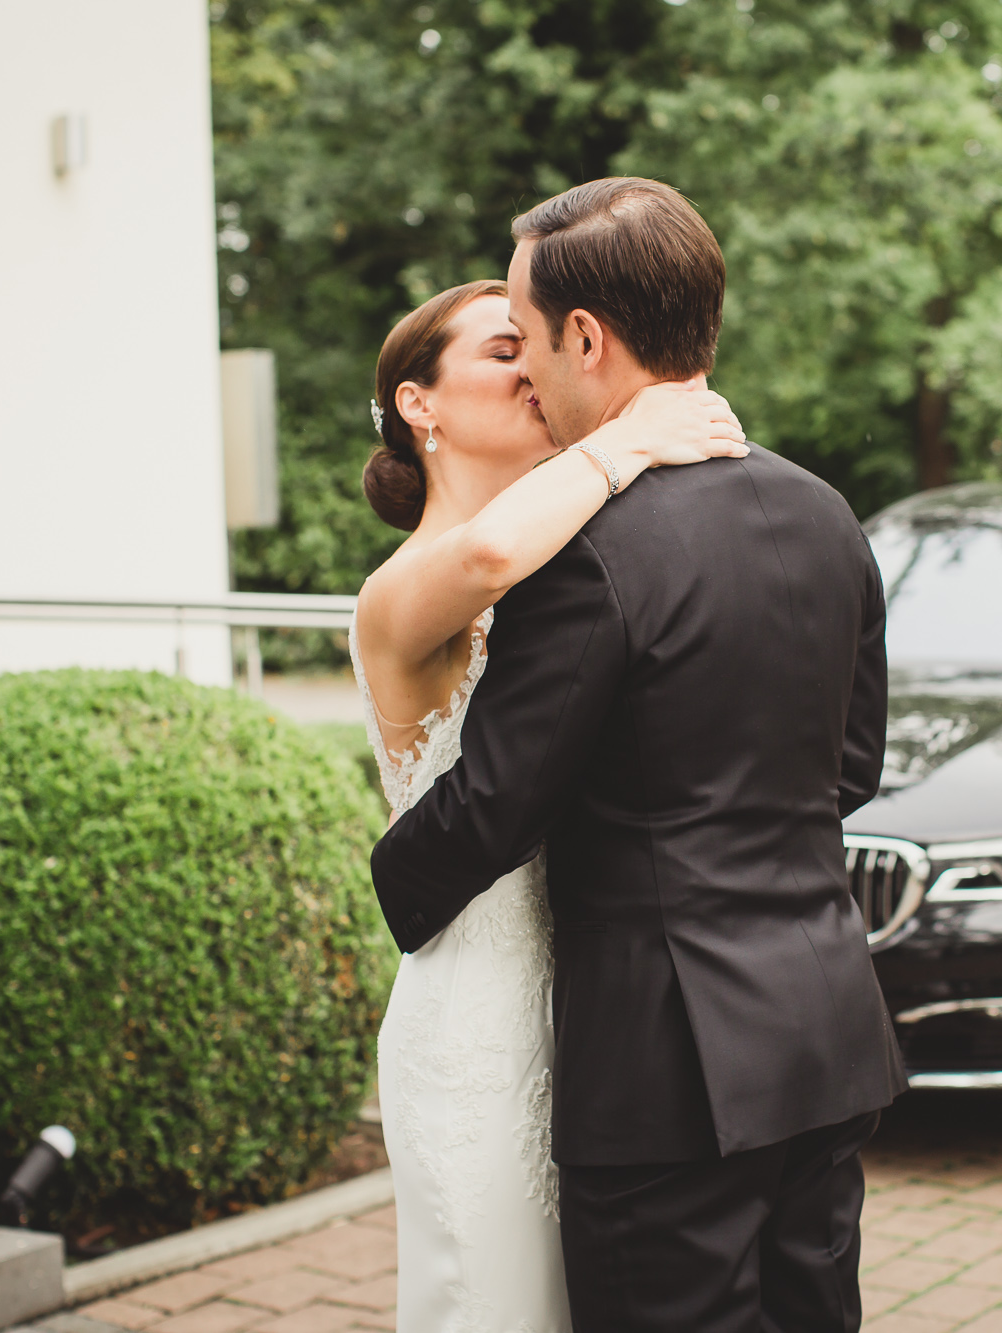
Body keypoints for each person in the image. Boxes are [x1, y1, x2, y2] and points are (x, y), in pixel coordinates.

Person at [371, 178, 907, 1332]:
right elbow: (850, 767)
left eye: (527, 337)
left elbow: (498, 802)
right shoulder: (825, 513)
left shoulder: (584, 553)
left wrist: (394, 879)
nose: (525, 371)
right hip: (821, 1031)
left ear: (584, 338)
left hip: (666, 1073)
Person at [348, 276, 748, 1332]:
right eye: (498, 350)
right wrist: (632, 435)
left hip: (599, 1014)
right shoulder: (399, 591)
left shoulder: (570, 570)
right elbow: (484, 553)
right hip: (474, 1022)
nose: (529, 366)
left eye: (529, 343)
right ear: (418, 404)